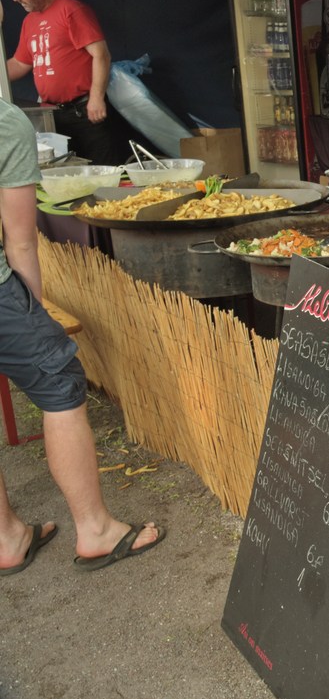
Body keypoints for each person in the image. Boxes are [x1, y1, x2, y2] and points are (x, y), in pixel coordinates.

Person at [0, 95, 163, 575]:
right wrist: (36, 311)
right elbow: (21, 239)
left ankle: (7, 538)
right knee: (60, 388)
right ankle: (94, 530)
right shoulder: (6, 123)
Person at [3, 0, 118, 165]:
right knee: (66, 174)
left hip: (85, 111)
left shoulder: (71, 9)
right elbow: (20, 64)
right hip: (52, 114)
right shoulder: (29, 21)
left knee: (101, 172)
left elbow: (101, 55)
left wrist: (96, 97)